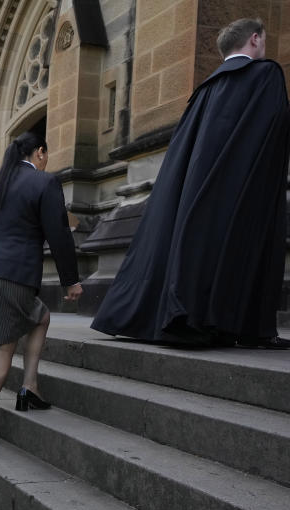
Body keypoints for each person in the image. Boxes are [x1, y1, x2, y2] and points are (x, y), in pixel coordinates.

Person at [92, 18, 289, 349]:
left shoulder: (204, 90)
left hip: (191, 195)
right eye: (264, 42)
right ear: (254, 40)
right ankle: (238, 326)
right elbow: (274, 131)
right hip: (240, 189)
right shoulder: (264, 74)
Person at [0, 131, 82, 447]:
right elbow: (59, 233)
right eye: (46, 154)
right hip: (12, 273)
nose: (47, 159)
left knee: (40, 317)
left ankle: (30, 387)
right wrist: (71, 280)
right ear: (39, 152)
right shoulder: (45, 182)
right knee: (3, 348)